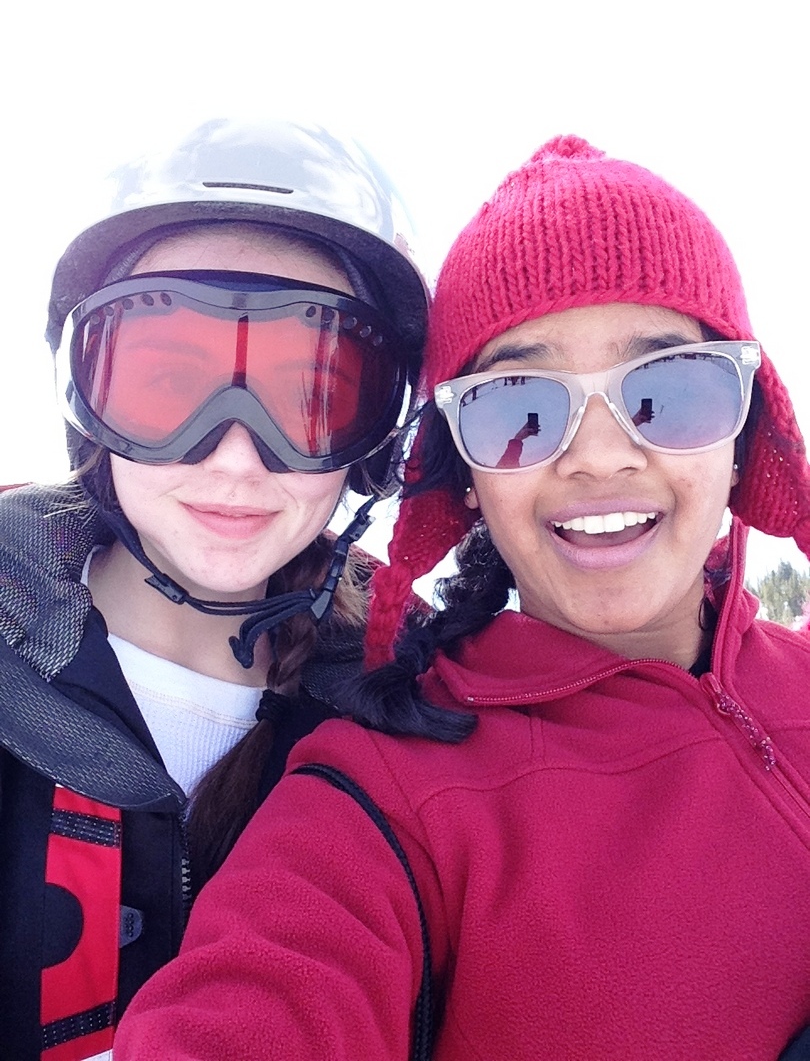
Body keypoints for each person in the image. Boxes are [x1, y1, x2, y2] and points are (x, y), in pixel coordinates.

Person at [115, 136, 810, 1061]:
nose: (600, 456)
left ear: (744, 426)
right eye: (519, 407)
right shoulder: (393, 789)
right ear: (467, 479)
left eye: (671, 390)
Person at [0, 116, 428, 1061]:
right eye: (166, 382)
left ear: (373, 443)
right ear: (89, 400)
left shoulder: (412, 719)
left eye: (310, 395)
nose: (236, 456)